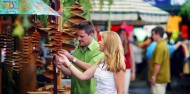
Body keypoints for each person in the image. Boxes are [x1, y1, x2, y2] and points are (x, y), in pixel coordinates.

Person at [55, 31, 125, 94]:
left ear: (108, 44)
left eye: (102, 40)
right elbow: (82, 76)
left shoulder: (117, 65)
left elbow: (120, 92)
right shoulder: (101, 61)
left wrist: (69, 59)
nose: (99, 42)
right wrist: (66, 62)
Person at [55, 21, 104, 94]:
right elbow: (73, 73)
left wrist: (71, 58)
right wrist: (61, 67)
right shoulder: (78, 49)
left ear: (91, 35)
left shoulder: (99, 49)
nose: (78, 38)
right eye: (77, 35)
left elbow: (90, 68)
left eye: (81, 36)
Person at [148, 27, 170, 94]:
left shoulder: (160, 46)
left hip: (159, 78)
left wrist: (153, 77)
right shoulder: (163, 44)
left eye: (153, 34)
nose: (152, 36)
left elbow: (157, 63)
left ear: (158, 34)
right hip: (161, 77)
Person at [117, 29, 135, 94]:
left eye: (125, 34)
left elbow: (132, 58)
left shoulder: (128, 44)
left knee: (125, 90)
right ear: (118, 35)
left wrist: (133, 72)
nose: (124, 36)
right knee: (118, 89)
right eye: (122, 34)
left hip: (127, 69)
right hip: (117, 69)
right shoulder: (115, 44)